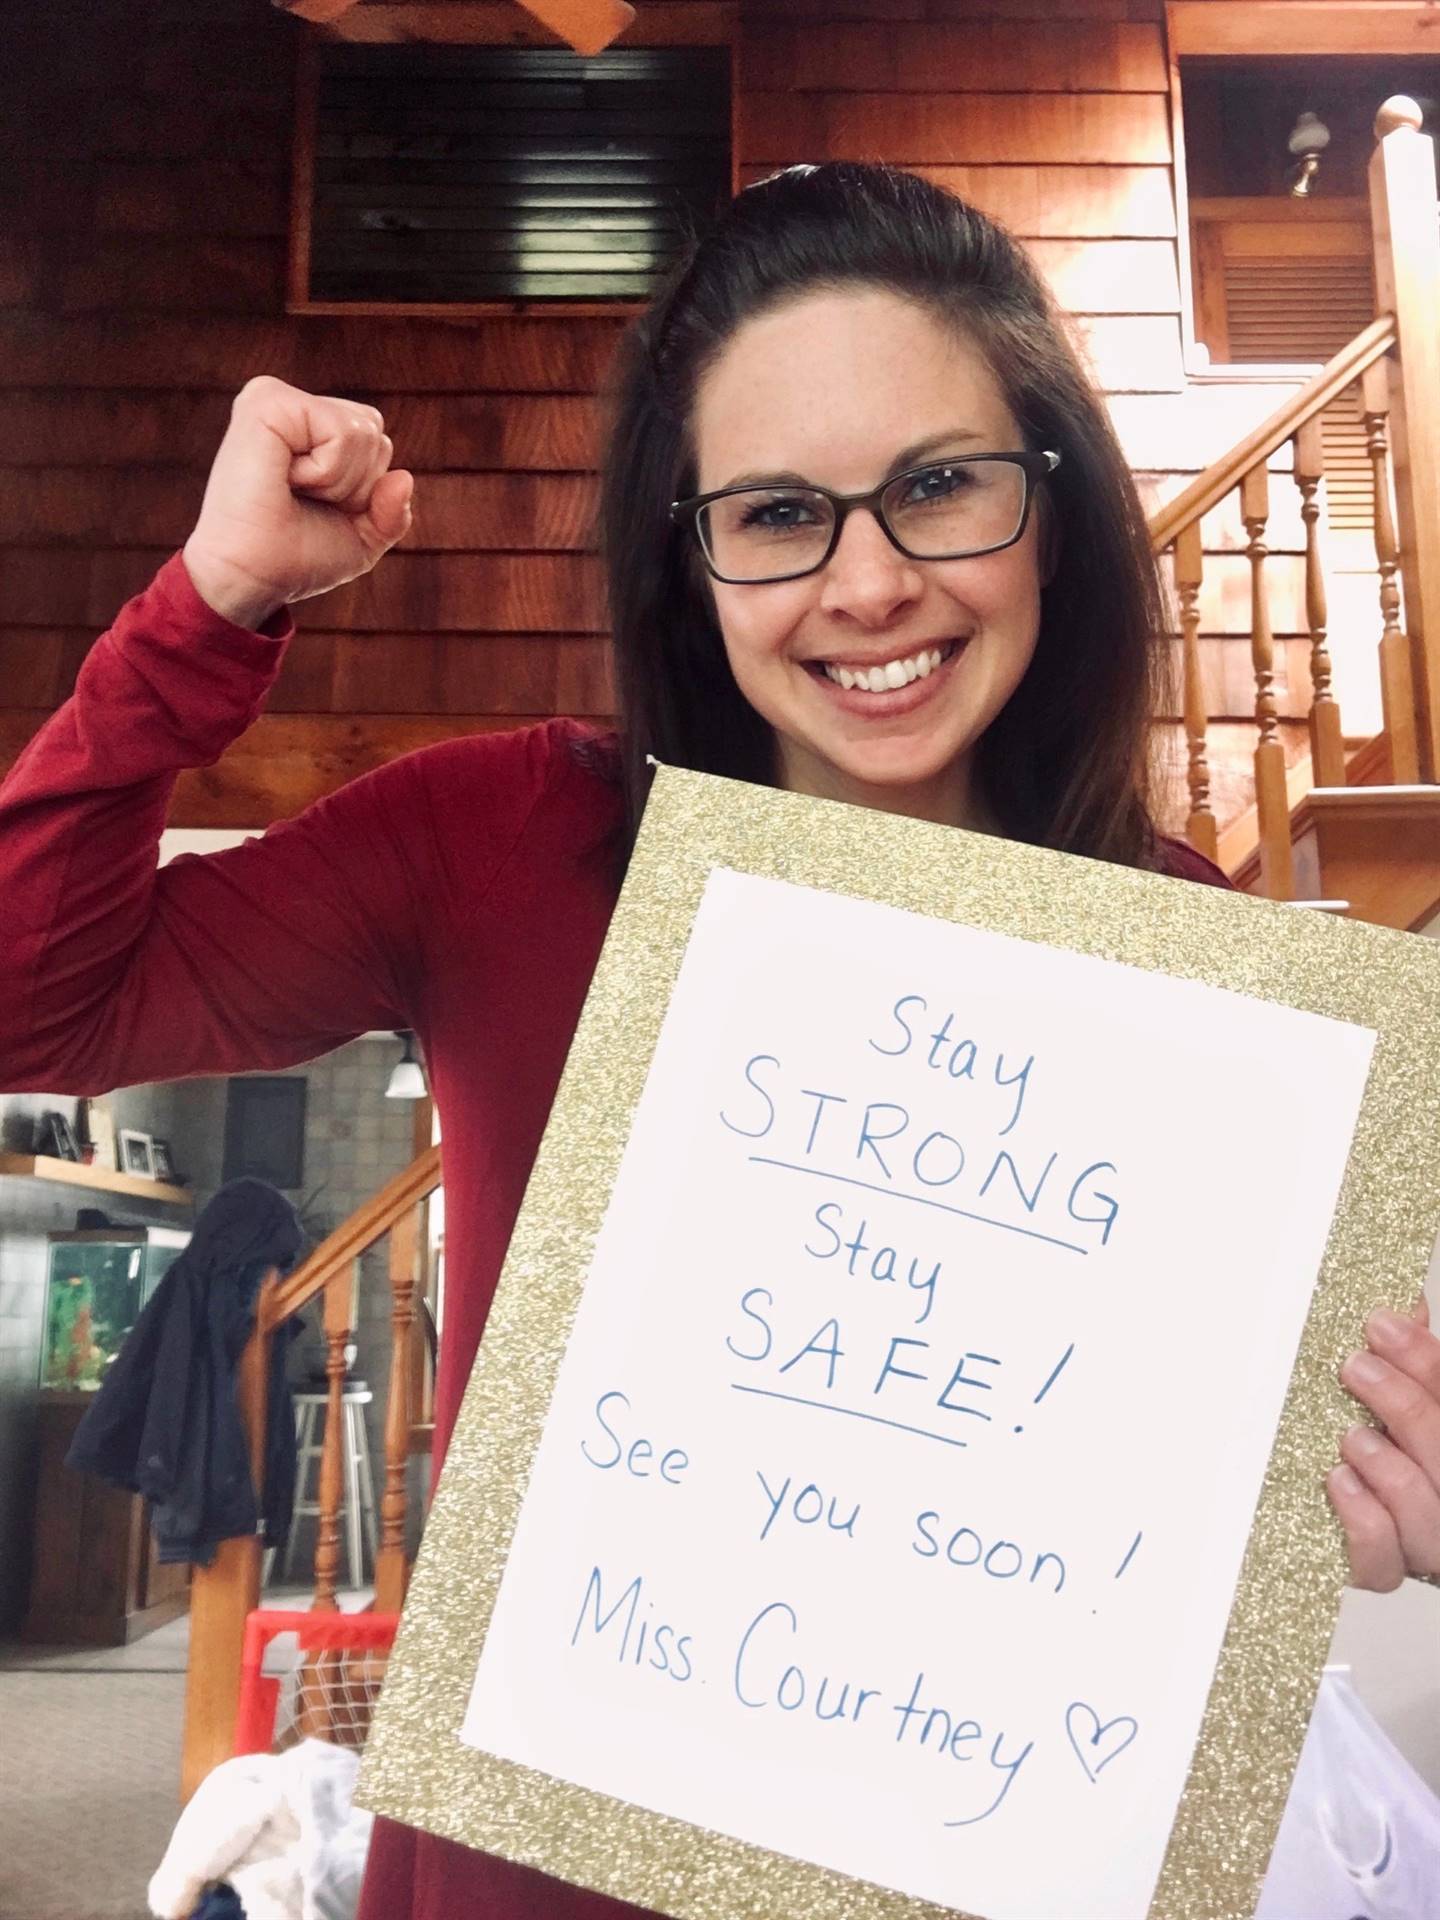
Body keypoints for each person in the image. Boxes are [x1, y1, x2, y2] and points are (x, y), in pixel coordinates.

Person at [1, 163, 1436, 1920]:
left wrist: (1360, 1494)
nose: (870, 585)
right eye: (776, 515)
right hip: (540, 1875)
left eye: (938, 488)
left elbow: (1187, 1486)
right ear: (691, 555)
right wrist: (211, 603)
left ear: (1045, 501)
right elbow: (33, 1000)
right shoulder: (507, 837)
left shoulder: (1195, 957)